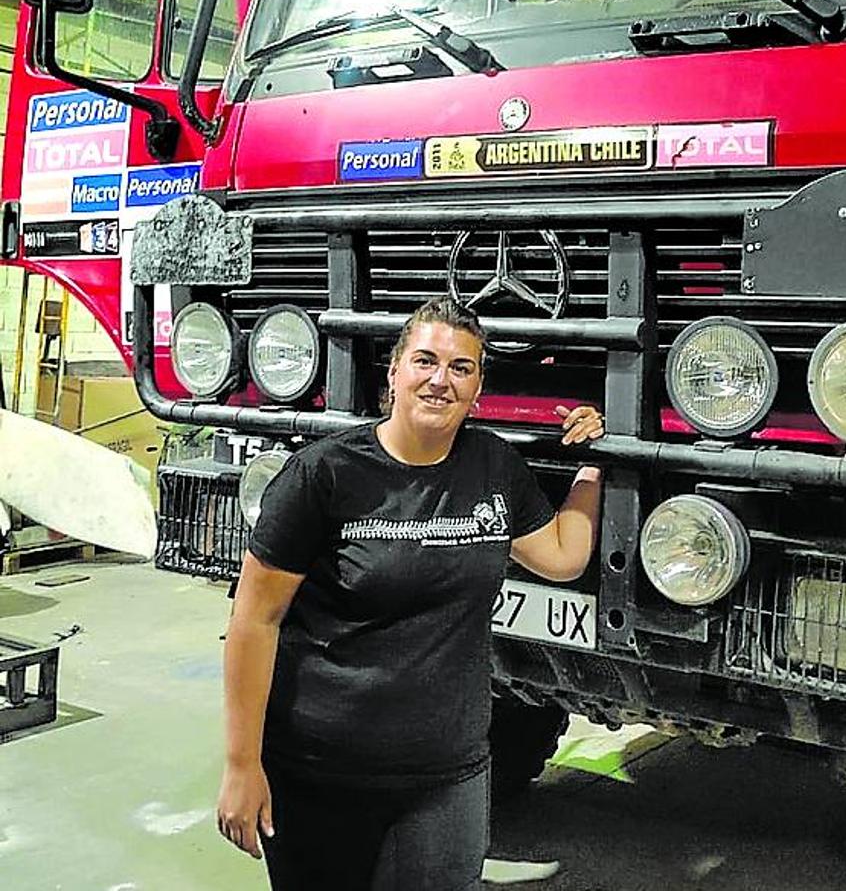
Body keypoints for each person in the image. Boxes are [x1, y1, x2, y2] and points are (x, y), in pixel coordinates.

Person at [216, 295, 604, 890]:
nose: (440, 381)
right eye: (425, 361)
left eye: (461, 368)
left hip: (447, 779)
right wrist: (242, 765)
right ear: (394, 372)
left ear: (478, 387)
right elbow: (254, 622)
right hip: (321, 777)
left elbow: (561, 555)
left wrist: (592, 465)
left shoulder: (493, 468)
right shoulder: (324, 475)